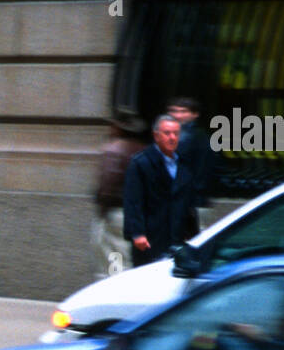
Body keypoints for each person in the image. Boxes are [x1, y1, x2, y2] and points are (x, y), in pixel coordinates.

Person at [123, 114, 200, 268]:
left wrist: (193, 235)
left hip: (176, 235)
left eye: (176, 134)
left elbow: (188, 203)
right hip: (150, 237)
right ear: (156, 136)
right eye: (167, 133)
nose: (172, 138)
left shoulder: (184, 164)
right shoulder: (141, 162)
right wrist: (138, 233)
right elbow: (133, 201)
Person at [91, 109, 148, 278]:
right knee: (126, 255)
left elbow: (108, 182)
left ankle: (115, 293)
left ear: (117, 127)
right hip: (139, 213)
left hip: (116, 212)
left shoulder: (113, 150)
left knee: (113, 257)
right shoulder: (147, 151)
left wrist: (103, 209)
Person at [166, 95, 215, 230]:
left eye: (183, 111)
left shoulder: (198, 137)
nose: (177, 115)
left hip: (190, 200)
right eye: (174, 111)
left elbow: (203, 169)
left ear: (195, 115)